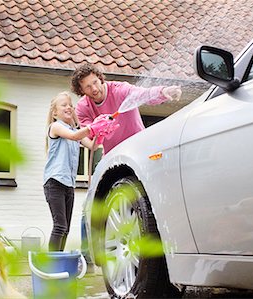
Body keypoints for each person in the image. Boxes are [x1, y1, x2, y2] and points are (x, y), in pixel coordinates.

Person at [71, 62, 182, 272]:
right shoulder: (84, 107)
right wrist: (95, 130)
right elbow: (87, 136)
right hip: (111, 156)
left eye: (95, 82)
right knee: (91, 206)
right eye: (87, 87)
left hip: (139, 150)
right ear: (81, 90)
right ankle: (93, 255)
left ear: (100, 78)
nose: (94, 88)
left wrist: (164, 92)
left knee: (145, 198)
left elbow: (143, 93)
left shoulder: (119, 90)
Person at [43, 91, 118, 251]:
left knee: (66, 229)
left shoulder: (74, 129)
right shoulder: (56, 127)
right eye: (64, 105)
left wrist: (101, 132)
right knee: (60, 226)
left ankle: (58, 262)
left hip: (68, 185)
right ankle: (51, 265)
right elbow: (75, 136)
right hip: (54, 182)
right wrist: (92, 127)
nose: (69, 107)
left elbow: (93, 146)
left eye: (70, 105)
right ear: (55, 112)